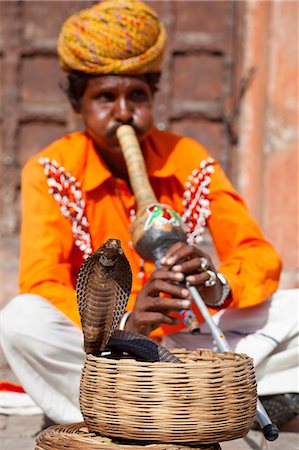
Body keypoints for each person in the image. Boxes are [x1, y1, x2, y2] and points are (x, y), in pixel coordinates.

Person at [1, 0, 298, 429]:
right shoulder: (52, 170)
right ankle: (188, 402)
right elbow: (42, 280)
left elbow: (257, 253)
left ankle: (139, 405)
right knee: (21, 321)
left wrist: (216, 285)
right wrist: (125, 321)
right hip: (108, 345)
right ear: (78, 104)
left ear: (153, 95)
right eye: (106, 97)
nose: (124, 112)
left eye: (136, 95)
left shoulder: (189, 158)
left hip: (185, 336)